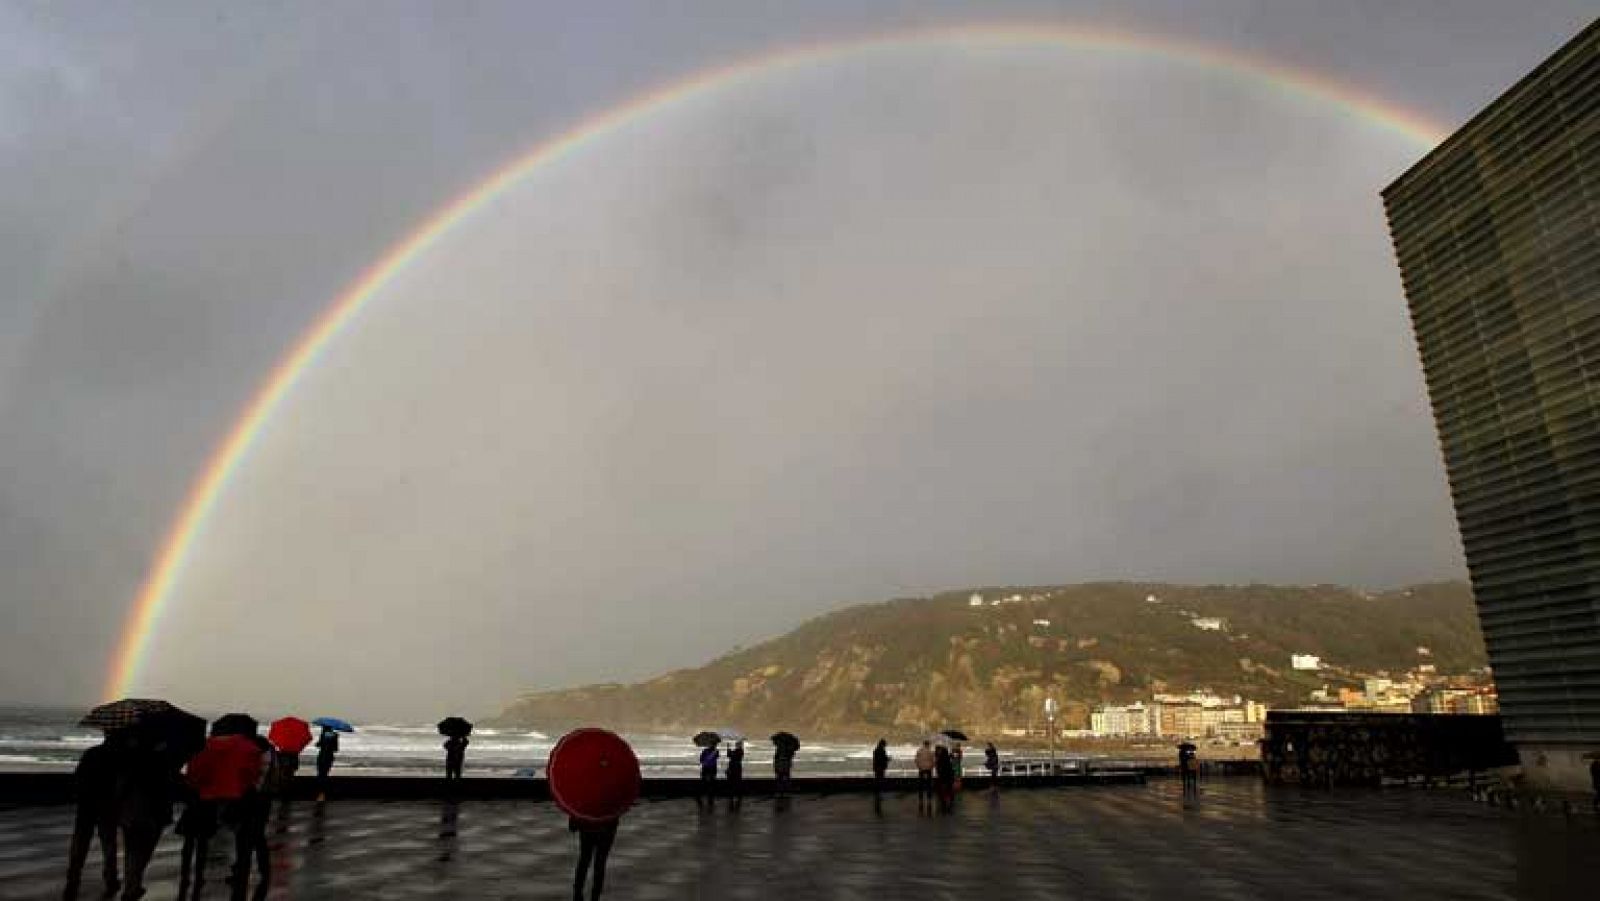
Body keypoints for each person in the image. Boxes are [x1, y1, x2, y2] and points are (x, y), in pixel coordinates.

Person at [63, 732, 123, 899]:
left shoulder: (91, 753)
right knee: (109, 845)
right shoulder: (119, 758)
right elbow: (120, 784)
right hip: (108, 807)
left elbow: (78, 777)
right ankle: (111, 879)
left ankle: (73, 879)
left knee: (79, 844)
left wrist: (81, 795)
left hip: (87, 805)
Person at [570, 815, 619, 900]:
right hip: (606, 828)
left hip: (588, 827)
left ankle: (578, 892)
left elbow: (577, 808)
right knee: (599, 863)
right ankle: (595, 895)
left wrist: (574, 820)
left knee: (584, 860)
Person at [933, 744, 956, 812]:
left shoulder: (941, 759)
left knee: (943, 790)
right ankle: (949, 801)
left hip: (943, 776)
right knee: (949, 789)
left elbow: (939, 768)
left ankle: (944, 802)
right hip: (949, 776)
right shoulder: (947, 758)